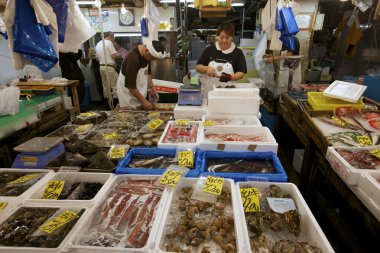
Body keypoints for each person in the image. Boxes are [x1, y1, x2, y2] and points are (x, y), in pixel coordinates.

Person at [196, 22, 247, 95]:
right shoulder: (209, 50)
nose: (224, 40)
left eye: (227, 37)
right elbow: (198, 67)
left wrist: (230, 77)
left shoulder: (238, 52)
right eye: (221, 37)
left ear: (232, 37)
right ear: (217, 37)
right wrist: (207, 68)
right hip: (209, 92)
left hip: (229, 92)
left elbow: (241, 73)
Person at [116, 40, 165, 110]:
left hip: (138, 89)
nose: (152, 60)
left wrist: (151, 87)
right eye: (152, 58)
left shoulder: (147, 56)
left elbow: (147, 72)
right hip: (128, 93)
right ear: (146, 50)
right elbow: (131, 88)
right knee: (130, 114)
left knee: (140, 113)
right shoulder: (133, 59)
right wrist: (144, 101)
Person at [95, 31, 118, 100]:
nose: (113, 39)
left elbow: (97, 58)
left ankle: (108, 105)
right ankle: (115, 104)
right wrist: (117, 54)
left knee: (106, 87)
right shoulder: (109, 43)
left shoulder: (98, 43)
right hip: (109, 67)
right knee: (115, 86)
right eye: (113, 38)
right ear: (110, 36)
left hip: (101, 67)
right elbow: (113, 56)